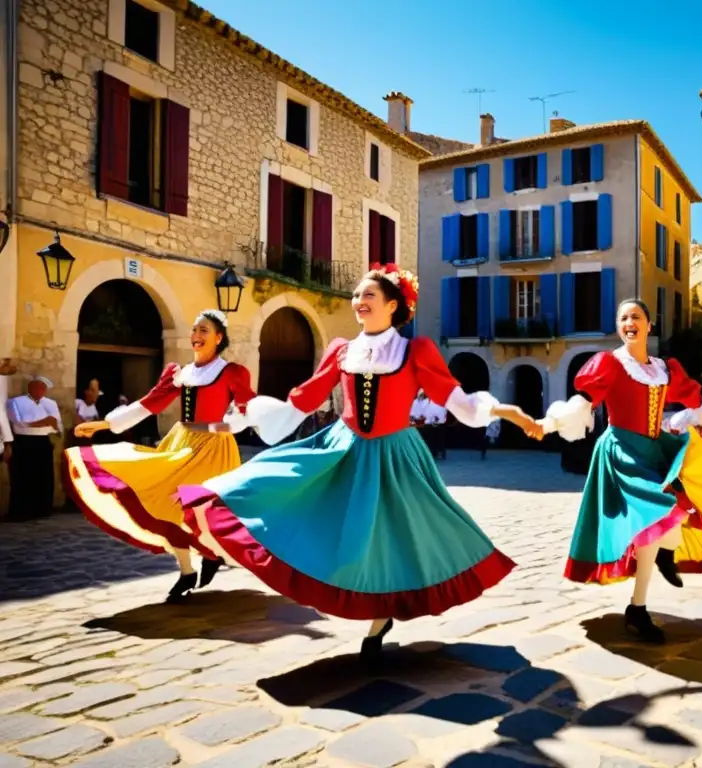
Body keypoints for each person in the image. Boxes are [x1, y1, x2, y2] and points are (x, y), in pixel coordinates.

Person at [176, 264, 544, 661]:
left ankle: (380, 616)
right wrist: (240, 418)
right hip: (343, 448)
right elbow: (304, 399)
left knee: (390, 537)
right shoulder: (341, 349)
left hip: (395, 455)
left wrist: (509, 412)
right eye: (356, 296)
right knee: (296, 501)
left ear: (392, 305)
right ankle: (358, 600)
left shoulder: (414, 349)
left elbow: (457, 400)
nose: (358, 301)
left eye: (368, 295)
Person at [540, 299, 702, 644]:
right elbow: (584, 401)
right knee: (659, 516)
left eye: (636, 316)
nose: (629, 322)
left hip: (654, 450)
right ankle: (641, 603)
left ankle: (653, 578)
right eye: (623, 318)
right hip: (622, 452)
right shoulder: (609, 364)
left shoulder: (664, 368)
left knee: (669, 519)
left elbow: (695, 400)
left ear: (649, 326)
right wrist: (550, 423)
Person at [65, 309, 256, 599]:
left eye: (204, 330)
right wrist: (106, 423)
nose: (197, 335)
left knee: (205, 510)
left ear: (219, 337)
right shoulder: (180, 374)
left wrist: (218, 426)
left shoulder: (231, 372)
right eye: (195, 329)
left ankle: (213, 554)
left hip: (214, 446)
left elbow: (247, 412)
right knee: (167, 503)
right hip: (182, 441)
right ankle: (186, 571)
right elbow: (149, 403)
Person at [6, 375, 63, 520]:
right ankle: (21, 511)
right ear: (30, 388)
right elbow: (19, 422)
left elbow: (57, 425)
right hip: (24, 442)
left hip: (43, 442)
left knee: (43, 477)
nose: (40, 391)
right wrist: (44, 422)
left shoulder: (50, 403)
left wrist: (48, 424)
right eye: (37, 387)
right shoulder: (15, 402)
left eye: (43, 388)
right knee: (22, 476)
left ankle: (42, 509)